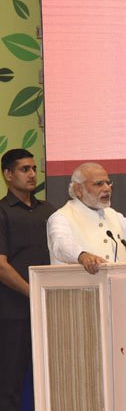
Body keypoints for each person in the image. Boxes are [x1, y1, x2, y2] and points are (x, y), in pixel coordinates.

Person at [0, 148, 56, 410]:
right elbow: (1, 266)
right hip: (13, 312)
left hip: (49, 311)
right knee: (9, 384)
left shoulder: (49, 210)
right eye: (25, 169)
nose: (32, 174)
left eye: (34, 168)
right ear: (8, 175)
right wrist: (34, 292)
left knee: (51, 379)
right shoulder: (2, 212)